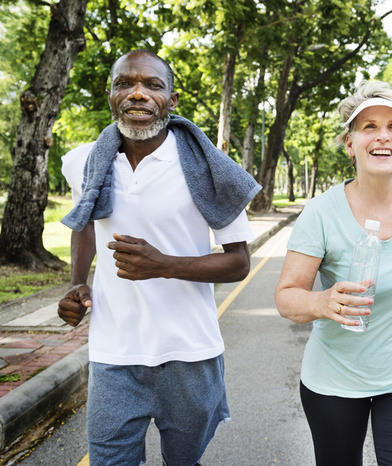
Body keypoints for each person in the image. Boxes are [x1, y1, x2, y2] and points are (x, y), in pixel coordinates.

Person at [57, 49, 261, 466]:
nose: (137, 94)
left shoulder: (209, 168)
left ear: (172, 99)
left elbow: (239, 262)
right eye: (125, 84)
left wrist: (164, 265)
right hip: (114, 353)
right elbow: (85, 223)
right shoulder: (83, 162)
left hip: (190, 354)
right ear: (110, 94)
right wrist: (79, 283)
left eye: (152, 85)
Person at [274, 80, 392, 466]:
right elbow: (287, 296)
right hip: (335, 377)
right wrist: (322, 301)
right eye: (369, 127)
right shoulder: (322, 213)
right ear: (350, 143)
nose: (383, 137)